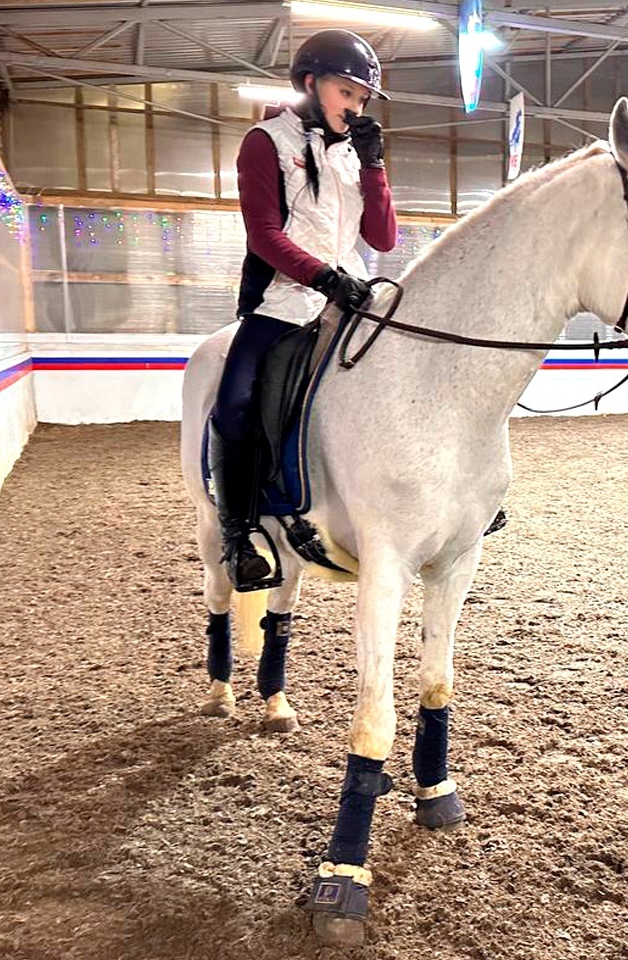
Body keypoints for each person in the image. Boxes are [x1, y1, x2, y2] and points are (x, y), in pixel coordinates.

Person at [209, 28, 398, 591]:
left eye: (362, 98)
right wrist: (321, 276)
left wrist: (375, 166)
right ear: (311, 83)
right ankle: (238, 535)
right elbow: (264, 234)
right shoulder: (265, 141)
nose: (355, 106)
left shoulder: (353, 156)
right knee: (235, 403)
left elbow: (383, 237)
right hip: (285, 298)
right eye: (347, 92)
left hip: (354, 294)